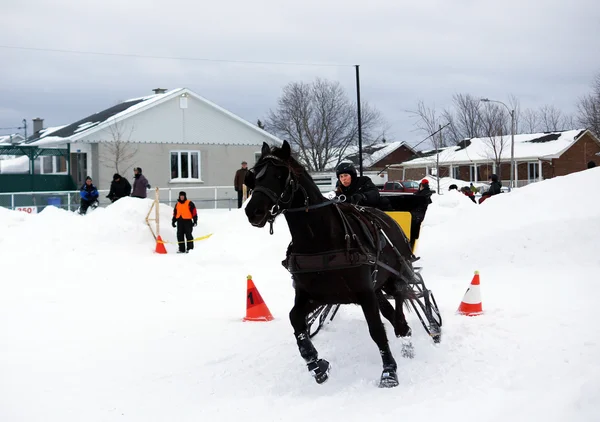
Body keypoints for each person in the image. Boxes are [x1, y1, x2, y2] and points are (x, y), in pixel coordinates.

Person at [409, 179, 433, 251]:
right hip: (420, 215)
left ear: (421, 185)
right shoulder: (427, 193)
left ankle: (412, 247)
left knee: (413, 233)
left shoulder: (420, 195)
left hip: (417, 215)